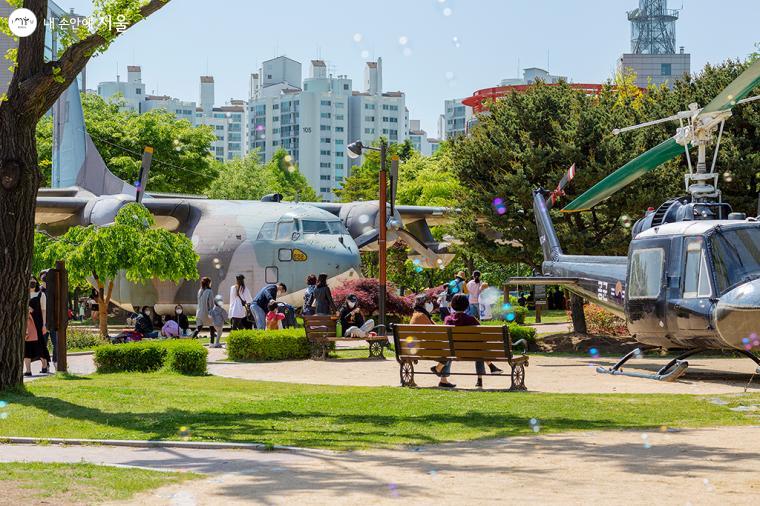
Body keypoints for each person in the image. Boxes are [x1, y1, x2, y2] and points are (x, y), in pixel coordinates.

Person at [444, 294, 501, 388]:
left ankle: (491, 367)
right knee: (478, 347)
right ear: (466, 305)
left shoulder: (448, 320)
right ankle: (480, 378)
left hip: (453, 351)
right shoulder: (471, 319)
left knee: (476, 347)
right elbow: (481, 336)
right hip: (472, 352)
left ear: (453, 305)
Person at [412, 294, 455, 388]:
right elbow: (435, 332)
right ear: (423, 304)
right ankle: (438, 370)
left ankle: (441, 376)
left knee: (447, 350)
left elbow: (434, 327)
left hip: (418, 348)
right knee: (449, 351)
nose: (430, 304)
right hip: (425, 349)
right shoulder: (422, 316)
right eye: (428, 302)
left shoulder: (418, 314)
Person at [28, 277, 51, 373]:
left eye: (33, 281)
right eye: (30, 281)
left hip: (38, 322)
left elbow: (44, 310)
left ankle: (45, 365)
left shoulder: (41, 294)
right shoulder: (23, 294)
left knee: (40, 343)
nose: (32, 283)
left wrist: (44, 325)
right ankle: (28, 370)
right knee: (27, 345)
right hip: (27, 322)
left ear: (36, 282)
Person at [24, 307, 47, 377]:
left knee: (31, 349)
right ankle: (29, 370)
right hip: (32, 328)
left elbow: (42, 310)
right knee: (30, 349)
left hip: (32, 328)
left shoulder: (39, 296)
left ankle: (43, 366)